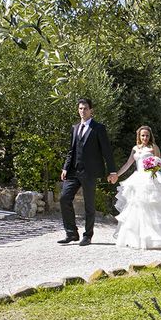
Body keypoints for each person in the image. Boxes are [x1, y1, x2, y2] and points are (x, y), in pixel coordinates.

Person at [58, 98, 118, 246]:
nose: (82, 111)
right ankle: (71, 233)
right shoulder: (75, 127)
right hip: (73, 171)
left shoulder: (98, 128)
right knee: (64, 198)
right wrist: (65, 167)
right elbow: (71, 150)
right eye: (80, 108)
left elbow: (107, 151)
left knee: (89, 205)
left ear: (91, 111)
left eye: (85, 108)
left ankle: (88, 235)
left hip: (90, 172)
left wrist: (112, 171)